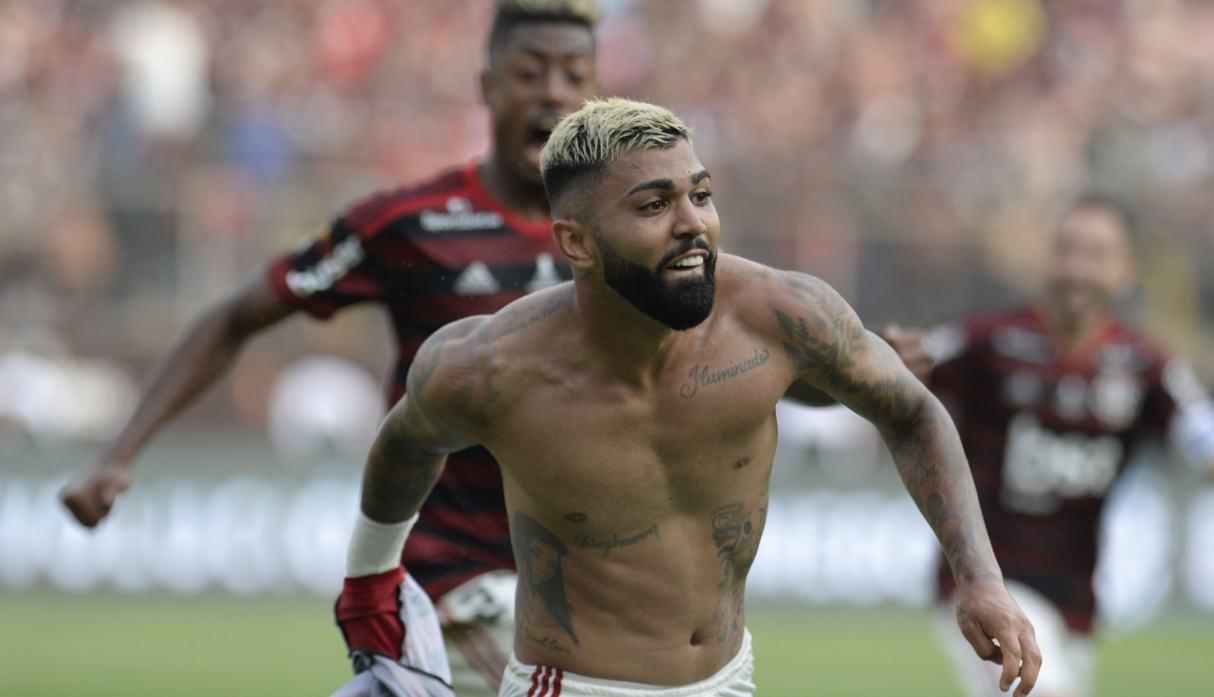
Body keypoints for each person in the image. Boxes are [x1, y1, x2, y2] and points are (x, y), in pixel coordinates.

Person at [335, 97, 1042, 697]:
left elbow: (912, 412)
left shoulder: (782, 314)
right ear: (577, 243)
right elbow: (406, 443)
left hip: (730, 679)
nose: (693, 224)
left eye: (700, 195)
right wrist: (370, 581)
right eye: (654, 205)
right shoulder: (489, 366)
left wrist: (980, 579)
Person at [60, 1, 601, 694]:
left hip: (586, 590)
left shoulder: (626, 231)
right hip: (449, 590)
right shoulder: (412, 222)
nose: (553, 92)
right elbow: (235, 317)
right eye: (530, 72)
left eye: (574, 75)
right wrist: (118, 453)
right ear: (487, 85)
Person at [920, 195, 1214, 697]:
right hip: (989, 583)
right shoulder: (987, 341)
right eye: (1066, 250)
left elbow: (1200, 433)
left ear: (1126, 271)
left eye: (1097, 255)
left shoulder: (1145, 366)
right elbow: (888, 369)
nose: (1077, 269)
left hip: (1075, 600)